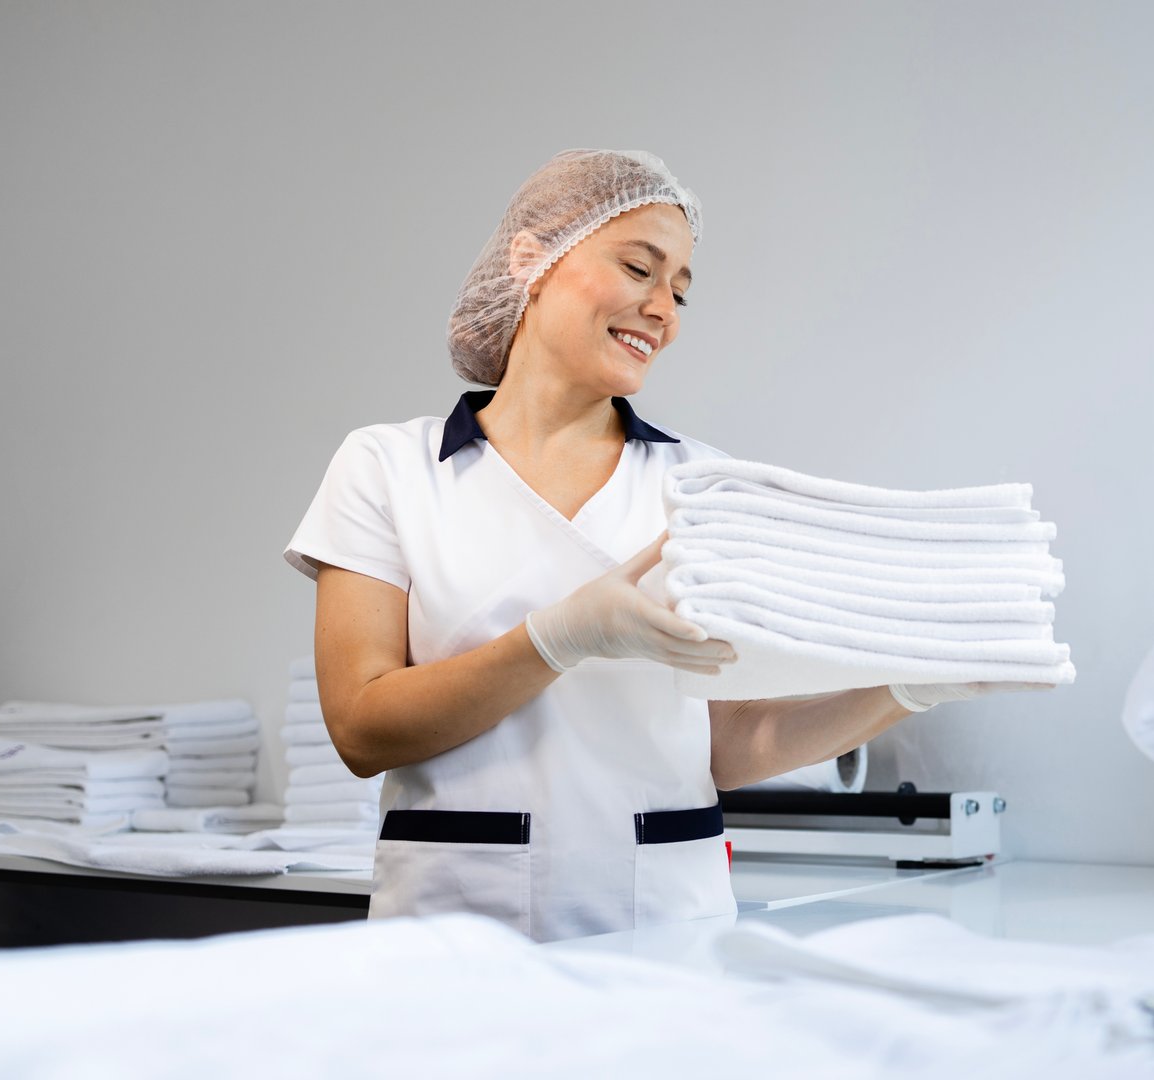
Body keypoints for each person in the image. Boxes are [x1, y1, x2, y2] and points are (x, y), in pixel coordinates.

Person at [284, 149, 1047, 942]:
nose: (663, 310)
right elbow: (362, 728)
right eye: (639, 268)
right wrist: (559, 637)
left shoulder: (703, 485)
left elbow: (729, 743)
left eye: (680, 291)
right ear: (532, 258)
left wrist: (906, 689)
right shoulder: (388, 468)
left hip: (666, 929)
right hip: (454, 928)